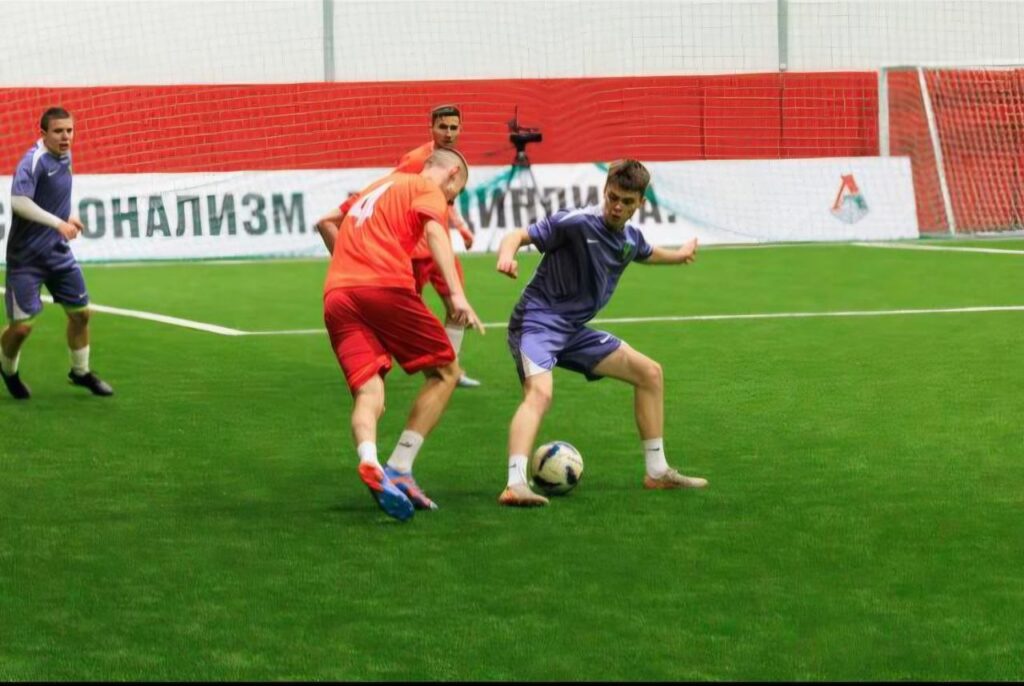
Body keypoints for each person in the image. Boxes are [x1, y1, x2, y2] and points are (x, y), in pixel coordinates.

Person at [495, 159, 706, 506]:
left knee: (650, 373)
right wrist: (507, 256)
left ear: (641, 203)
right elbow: (518, 235)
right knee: (540, 394)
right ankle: (515, 484)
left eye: (627, 201)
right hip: (537, 322)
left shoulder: (629, 239)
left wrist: (680, 255)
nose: (617, 206)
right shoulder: (576, 223)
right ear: (604, 191)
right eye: (613, 197)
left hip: (573, 331)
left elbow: (646, 252)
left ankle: (657, 472)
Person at [317, 147, 484, 521]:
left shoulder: (377, 186)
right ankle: (400, 468)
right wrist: (457, 295)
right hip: (384, 286)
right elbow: (436, 233)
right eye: (455, 193)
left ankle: (370, 459)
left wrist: (351, 268)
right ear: (452, 174)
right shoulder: (426, 188)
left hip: (338, 295)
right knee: (446, 372)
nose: (450, 200)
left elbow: (324, 222)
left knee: (369, 391)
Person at [321, 104, 482, 388]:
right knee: (394, 308)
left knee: (455, 305)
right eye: (442, 127)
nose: (448, 133)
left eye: (453, 128)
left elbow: (443, 201)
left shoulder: (451, 162)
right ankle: (381, 359)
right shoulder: (417, 160)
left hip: (439, 244)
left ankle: (452, 368)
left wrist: (460, 227)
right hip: (412, 249)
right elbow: (392, 189)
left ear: (461, 129)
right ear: (431, 128)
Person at [1, 107, 113, 400]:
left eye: (69, 130)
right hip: (26, 258)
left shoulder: (66, 156)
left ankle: (80, 372)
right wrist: (58, 223)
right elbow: (19, 202)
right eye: (58, 131)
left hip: (58, 254)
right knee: (22, 328)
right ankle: (8, 371)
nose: (65, 137)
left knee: (81, 314)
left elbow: (55, 195)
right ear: (43, 133)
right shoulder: (33, 160)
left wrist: (68, 216)